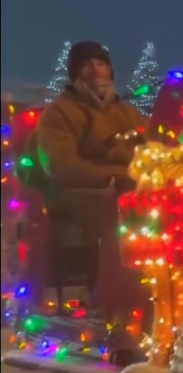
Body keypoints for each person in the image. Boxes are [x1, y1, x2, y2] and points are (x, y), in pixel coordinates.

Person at [35, 41, 148, 318]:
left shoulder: (130, 114)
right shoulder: (60, 113)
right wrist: (111, 177)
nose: (94, 68)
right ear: (75, 73)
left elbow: (155, 147)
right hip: (76, 193)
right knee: (124, 208)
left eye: (101, 62)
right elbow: (61, 166)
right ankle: (120, 309)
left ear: (110, 71)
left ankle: (168, 301)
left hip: (131, 184)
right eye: (86, 63)